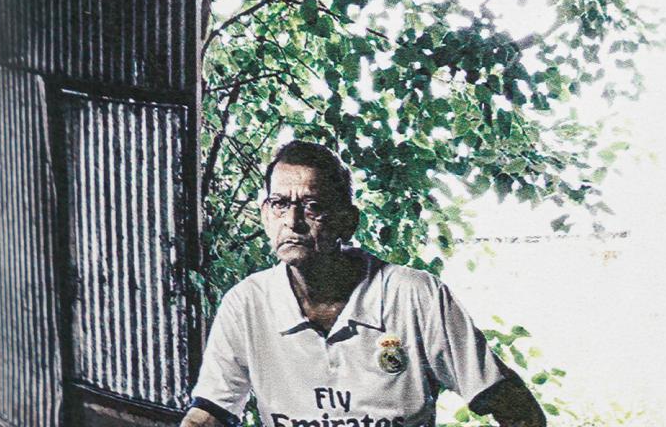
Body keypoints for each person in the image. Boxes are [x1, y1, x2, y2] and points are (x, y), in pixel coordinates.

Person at [181, 141, 545, 427]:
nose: (292, 221)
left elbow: (516, 407)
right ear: (265, 215)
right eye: (279, 204)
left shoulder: (414, 296)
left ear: (347, 221)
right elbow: (210, 413)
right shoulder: (247, 303)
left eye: (312, 206)